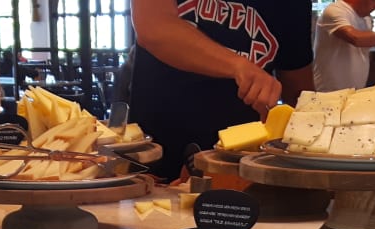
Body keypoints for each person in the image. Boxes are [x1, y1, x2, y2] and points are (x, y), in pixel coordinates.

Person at [129, 0, 314, 180]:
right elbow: (153, 27)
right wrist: (239, 66)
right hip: (156, 157)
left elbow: (298, 91)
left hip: (239, 163)